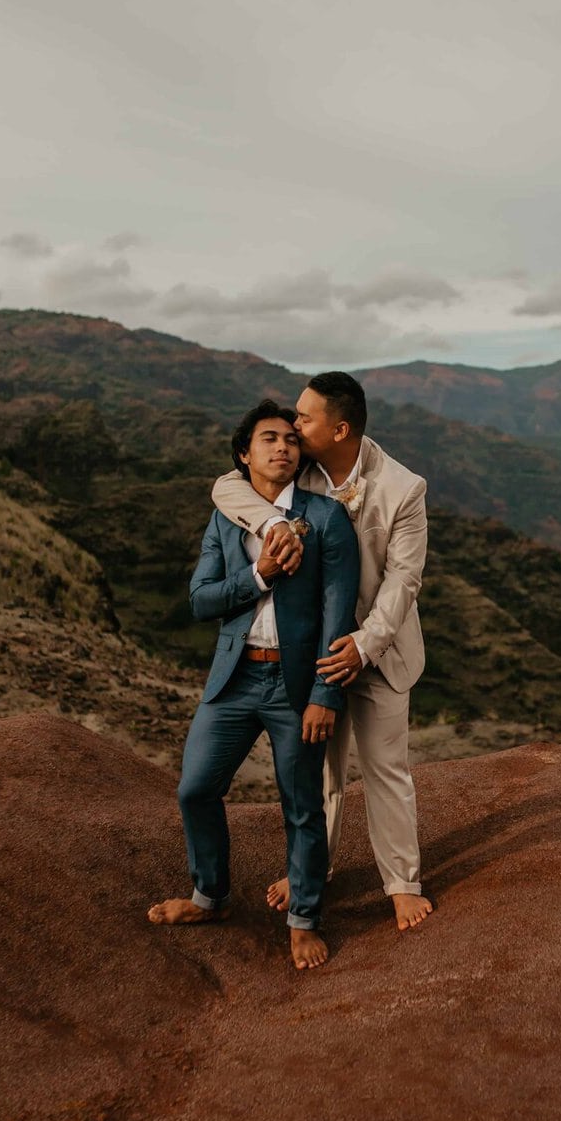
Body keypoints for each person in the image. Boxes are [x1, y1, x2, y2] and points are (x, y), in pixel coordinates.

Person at [212, 372, 433, 932]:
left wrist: (363, 645)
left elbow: (404, 582)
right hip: (311, 651)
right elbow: (224, 486)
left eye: (304, 419)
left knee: (386, 769)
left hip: (378, 651)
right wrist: (273, 522)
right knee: (321, 770)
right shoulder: (297, 470)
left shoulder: (404, 488)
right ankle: (315, 869)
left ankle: (402, 882)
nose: (292, 425)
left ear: (339, 429)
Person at [148, 399, 359, 969]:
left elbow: (338, 613)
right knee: (195, 788)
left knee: (301, 805)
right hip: (235, 678)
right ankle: (210, 896)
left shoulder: (326, 517)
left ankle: (304, 918)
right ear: (244, 455)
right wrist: (258, 574)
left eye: (292, 439)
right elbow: (200, 599)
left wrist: (325, 693)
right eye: (269, 439)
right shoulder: (224, 518)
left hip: (297, 684)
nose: (283, 447)